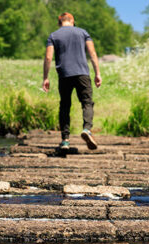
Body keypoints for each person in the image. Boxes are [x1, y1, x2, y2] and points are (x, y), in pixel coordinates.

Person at [42, 12, 102, 150]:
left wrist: (45, 77)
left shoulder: (53, 35)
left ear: (59, 22)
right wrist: (97, 73)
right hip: (82, 73)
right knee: (87, 103)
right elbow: (92, 54)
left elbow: (48, 58)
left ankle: (65, 141)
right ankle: (86, 129)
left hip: (64, 74)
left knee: (64, 106)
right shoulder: (83, 32)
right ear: (73, 21)